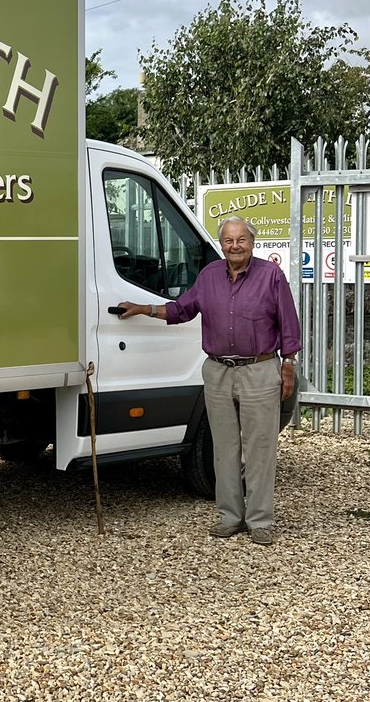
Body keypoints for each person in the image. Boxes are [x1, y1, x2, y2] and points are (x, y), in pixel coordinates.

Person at [117, 215, 300, 546]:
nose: (234, 246)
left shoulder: (270, 276)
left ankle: (260, 520)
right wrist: (143, 308)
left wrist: (288, 365)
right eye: (228, 241)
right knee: (224, 447)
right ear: (221, 244)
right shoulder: (209, 276)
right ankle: (230, 516)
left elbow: (289, 322)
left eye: (241, 240)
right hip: (217, 371)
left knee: (260, 447)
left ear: (252, 242)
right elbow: (181, 310)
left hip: (259, 369)